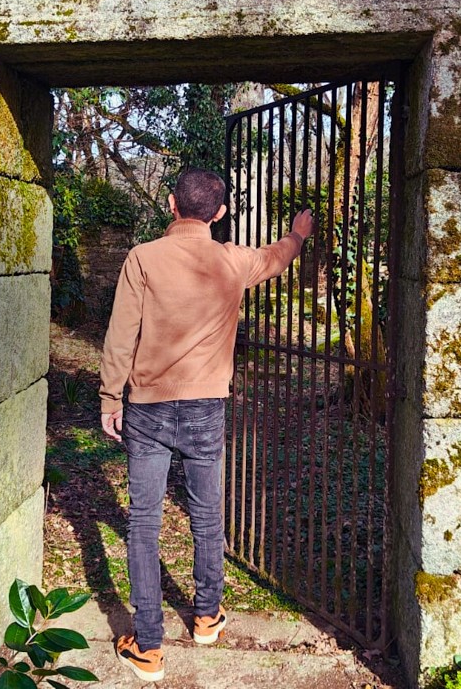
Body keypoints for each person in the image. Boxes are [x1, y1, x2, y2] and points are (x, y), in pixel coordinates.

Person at [99, 167, 314, 682]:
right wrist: (299, 233)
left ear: (171, 204)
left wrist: (111, 396)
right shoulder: (233, 260)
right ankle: (206, 616)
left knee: (144, 524)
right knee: (207, 514)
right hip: (205, 409)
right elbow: (278, 256)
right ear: (218, 213)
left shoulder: (142, 258)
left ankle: (147, 645)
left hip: (147, 408)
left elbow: (121, 334)